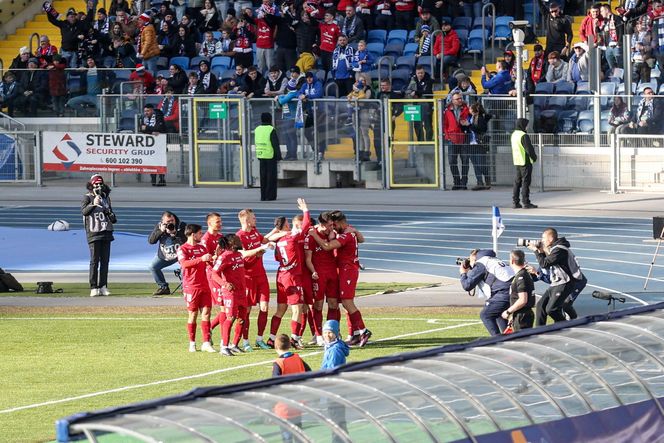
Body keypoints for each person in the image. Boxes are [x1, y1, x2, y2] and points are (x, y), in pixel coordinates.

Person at [309, 210, 372, 347]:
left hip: (347, 270)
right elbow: (361, 239)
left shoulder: (345, 235)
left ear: (339, 222)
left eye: (334, 225)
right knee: (345, 304)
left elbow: (327, 247)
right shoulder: (348, 231)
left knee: (347, 302)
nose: (333, 228)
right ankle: (354, 334)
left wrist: (315, 235)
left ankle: (363, 330)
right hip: (344, 270)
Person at [265, 198, 311, 349]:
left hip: (281, 275)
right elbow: (305, 226)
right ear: (286, 225)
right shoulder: (292, 236)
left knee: (281, 309)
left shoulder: (278, 241)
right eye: (288, 224)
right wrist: (305, 210)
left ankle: (271, 338)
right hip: (292, 277)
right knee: (297, 309)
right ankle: (294, 338)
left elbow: (276, 254)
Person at [236, 209, 278, 350]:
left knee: (264, 307)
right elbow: (243, 255)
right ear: (246, 221)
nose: (256, 220)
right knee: (246, 310)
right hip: (248, 278)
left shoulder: (254, 232)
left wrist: (273, 237)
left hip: (261, 276)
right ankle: (245, 341)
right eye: (253, 218)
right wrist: (260, 249)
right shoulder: (239, 236)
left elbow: (264, 240)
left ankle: (259, 339)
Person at [528, 228, 584, 326]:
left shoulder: (560, 249)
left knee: (552, 309)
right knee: (540, 306)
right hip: (557, 282)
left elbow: (544, 264)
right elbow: (546, 263)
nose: (542, 240)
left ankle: (565, 327)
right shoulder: (556, 248)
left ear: (550, 239)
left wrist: (536, 251)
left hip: (565, 282)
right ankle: (539, 331)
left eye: (543, 238)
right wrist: (540, 250)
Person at [177, 224, 214, 353]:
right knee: (193, 314)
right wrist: (201, 259)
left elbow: (209, 263)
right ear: (193, 234)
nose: (201, 235)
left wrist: (213, 258)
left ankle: (206, 342)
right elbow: (184, 264)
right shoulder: (183, 249)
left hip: (204, 285)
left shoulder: (202, 248)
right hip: (191, 287)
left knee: (207, 313)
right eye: (199, 233)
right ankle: (192, 343)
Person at [459, 249, 514, 336]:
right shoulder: (493, 260)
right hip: (512, 291)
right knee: (499, 314)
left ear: (475, 258)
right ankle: (508, 339)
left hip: (503, 293)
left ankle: (498, 341)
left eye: (470, 260)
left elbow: (467, 285)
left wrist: (463, 274)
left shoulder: (481, 263)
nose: (470, 263)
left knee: (485, 315)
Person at [304, 212, 338, 345]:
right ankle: (318, 335)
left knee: (333, 304)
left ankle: (332, 332)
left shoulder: (332, 234)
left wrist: (331, 234)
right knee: (317, 304)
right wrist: (313, 271)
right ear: (322, 224)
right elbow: (308, 258)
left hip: (332, 272)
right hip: (319, 274)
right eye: (329, 225)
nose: (332, 227)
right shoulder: (311, 236)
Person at [81, 174, 116, 297]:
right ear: (91, 185)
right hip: (94, 232)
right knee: (94, 261)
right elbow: (84, 212)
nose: (99, 187)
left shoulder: (106, 198)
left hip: (106, 231)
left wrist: (109, 212)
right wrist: (93, 204)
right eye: (96, 184)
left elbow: (113, 217)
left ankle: (103, 286)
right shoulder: (87, 198)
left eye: (100, 184)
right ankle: (93, 286)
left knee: (105, 261)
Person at [148, 211, 187, 295]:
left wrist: (175, 234)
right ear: (163, 222)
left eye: (172, 221)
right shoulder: (159, 227)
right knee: (153, 267)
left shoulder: (182, 225)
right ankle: (163, 287)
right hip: (165, 254)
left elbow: (187, 240)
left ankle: (185, 287)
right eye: (168, 222)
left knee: (186, 266)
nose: (171, 223)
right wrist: (160, 231)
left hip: (180, 254)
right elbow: (151, 241)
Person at [502, 249, 535, 331]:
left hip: (522, 315)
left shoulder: (521, 277)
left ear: (512, 261)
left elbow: (523, 300)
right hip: (521, 314)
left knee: (522, 342)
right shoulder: (523, 274)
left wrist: (508, 312)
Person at [443, 92, 471, 190]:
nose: (460, 100)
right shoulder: (447, 111)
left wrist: (467, 124)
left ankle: (464, 183)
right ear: (452, 100)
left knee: (465, 161)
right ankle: (457, 182)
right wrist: (448, 136)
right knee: (452, 161)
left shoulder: (467, 109)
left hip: (463, 138)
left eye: (460, 98)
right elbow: (445, 125)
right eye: (457, 99)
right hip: (452, 138)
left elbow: (470, 120)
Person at [511, 118, 538, 209]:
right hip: (525, 161)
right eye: (526, 125)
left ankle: (515, 202)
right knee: (526, 182)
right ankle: (526, 202)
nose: (527, 126)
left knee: (517, 182)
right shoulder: (523, 135)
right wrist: (534, 158)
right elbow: (529, 149)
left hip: (517, 161)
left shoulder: (514, 134)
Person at [255, 112, 282, 201]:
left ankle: (263, 196)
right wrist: (279, 155)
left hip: (261, 154)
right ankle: (270, 196)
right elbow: (275, 144)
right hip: (270, 155)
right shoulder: (271, 129)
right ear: (270, 119)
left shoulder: (257, 129)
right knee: (271, 177)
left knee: (263, 176)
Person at [140, 104, 167, 186]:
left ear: (152, 110)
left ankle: (162, 180)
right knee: (151, 160)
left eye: (147, 111)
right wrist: (151, 131)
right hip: (150, 143)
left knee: (160, 160)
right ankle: (153, 179)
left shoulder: (158, 115)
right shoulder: (143, 117)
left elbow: (159, 128)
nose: (146, 113)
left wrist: (147, 128)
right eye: (145, 111)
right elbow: (141, 128)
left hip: (160, 142)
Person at [406, 65, 434, 141]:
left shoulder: (429, 80)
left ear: (424, 72)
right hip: (414, 104)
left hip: (426, 105)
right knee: (417, 125)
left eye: (422, 73)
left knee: (427, 125)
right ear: (416, 73)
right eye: (418, 73)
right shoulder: (412, 79)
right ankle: (420, 142)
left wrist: (416, 93)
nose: (420, 74)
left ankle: (429, 142)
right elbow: (407, 89)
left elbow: (428, 91)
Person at [468, 102, 491, 191]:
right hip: (471, 143)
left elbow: (480, 130)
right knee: (475, 164)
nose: (469, 110)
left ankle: (487, 179)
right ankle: (479, 182)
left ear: (475, 111)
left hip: (480, 144)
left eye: (470, 108)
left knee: (481, 164)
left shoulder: (481, 119)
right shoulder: (472, 117)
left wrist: (469, 125)